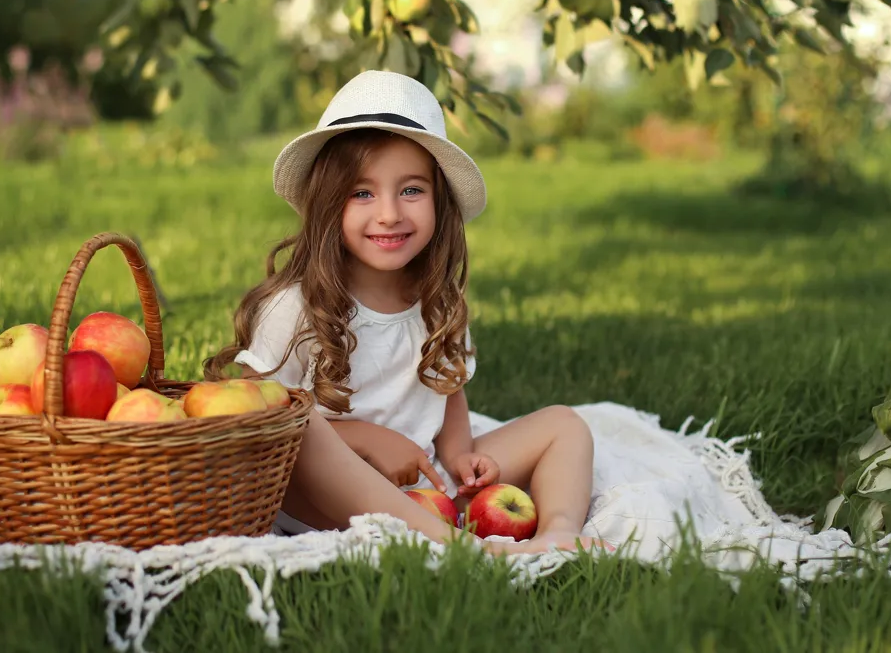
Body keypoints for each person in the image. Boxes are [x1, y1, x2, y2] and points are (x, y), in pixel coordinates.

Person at [205, 70, 603, 554]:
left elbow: (448, 390)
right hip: (323, 499)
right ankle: (465, 548)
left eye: (411, 190)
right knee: (300, 422)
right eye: (362, 193)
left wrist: (459, 455)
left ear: (440, 201)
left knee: (565, 425)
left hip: (423, 482)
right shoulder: (295, 306)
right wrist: (366, 438)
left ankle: (558, 532)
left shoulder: (437, 301)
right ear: (328, 204)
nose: (390, 213)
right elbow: (253, 409)